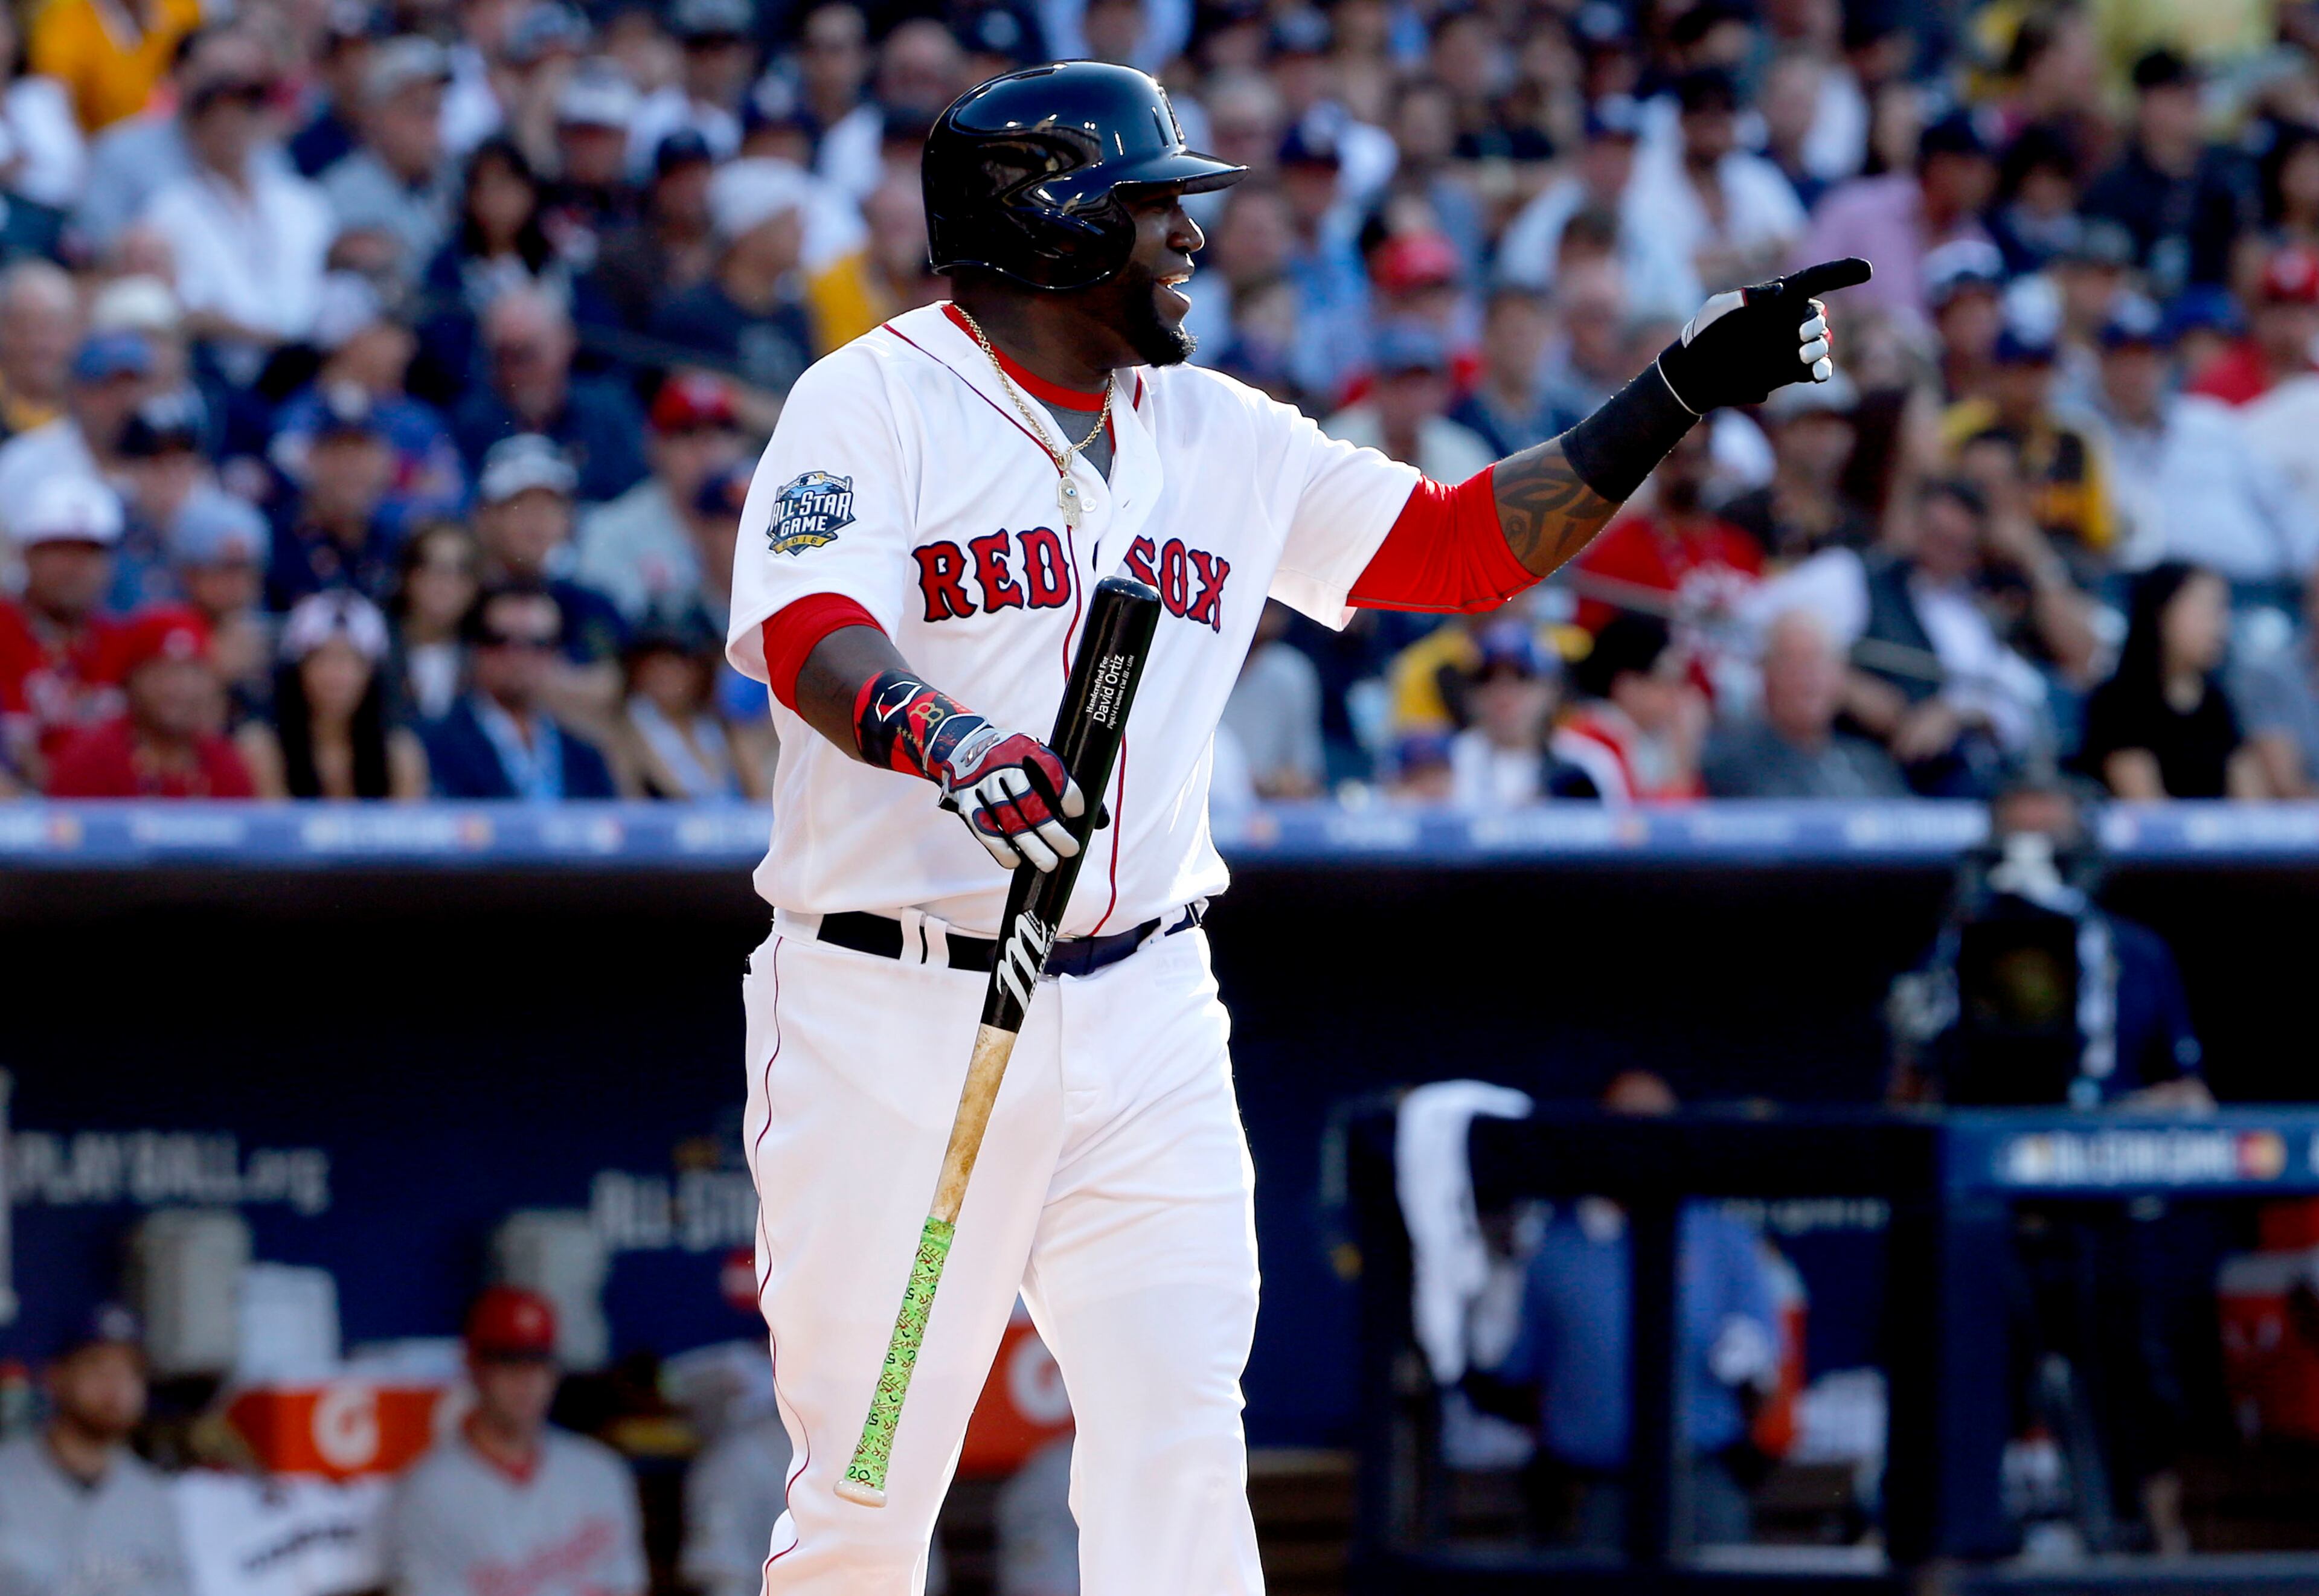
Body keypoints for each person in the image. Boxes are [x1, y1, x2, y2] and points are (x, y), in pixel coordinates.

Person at [720, 60, 1863, 1589]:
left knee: (1183, 1452)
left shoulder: (1222, 435)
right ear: (1050, 227)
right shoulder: (867, 399)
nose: (1192, 238)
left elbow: (1460, 553)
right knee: (866, 1495)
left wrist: (1670, 392)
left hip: (1147, 1002)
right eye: (1154, 209)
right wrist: (943, 734)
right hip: (904, 999)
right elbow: (808, 629)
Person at [1474, 1070, 1779, 1551]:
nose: (1645, 1140)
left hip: (1699, 1477)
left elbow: (1765, 1368)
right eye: (1628, 1125)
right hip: (1593, 1487)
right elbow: (1517, 1376)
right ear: (1601, 1133)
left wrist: (1754, 1366)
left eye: (1657, 1125)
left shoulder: (1723, 1235)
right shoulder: (1553, 1246)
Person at [384, 1287, 646, 1596]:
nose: (527, 1381)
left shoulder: (600, 1472)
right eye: (509, 1362)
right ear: (473, 1366)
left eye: (538, 1363)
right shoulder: (428, 1491)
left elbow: (623, 1586)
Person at [138, 47, 334, 367]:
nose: (230, 128)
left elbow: (326, 280)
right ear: (194, 129)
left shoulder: (302, 202)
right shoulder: (168, 210)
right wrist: (266, 338)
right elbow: (175, 307)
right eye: (216, 118)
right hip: (219, 367)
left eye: (242, 115)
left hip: (308, 363)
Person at [0, 1305, 191, 1596]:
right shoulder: (6, 1478)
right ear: (56, 1378)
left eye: (130, 1372)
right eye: (97, 1366)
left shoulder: (152, 1498)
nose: (115, 1386)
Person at [2080, 561, 2266, 800]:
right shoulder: (2117, 704)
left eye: (2222, 611)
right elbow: (2146, 807)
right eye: (2208, 610)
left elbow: (2254, 804)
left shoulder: (2219, 703)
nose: (2220, 626)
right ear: (2163, 613)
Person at [449, 285, 647, 504]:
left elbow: (640, 495)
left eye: (526, 356)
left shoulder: (608, 415)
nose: (513, 373)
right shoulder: (472, 423)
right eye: (500, 358)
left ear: (565, 345)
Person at [421, 581, 617, 799]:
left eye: (537, 644)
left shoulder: (585, 755)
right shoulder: (432, 745)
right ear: (476, 648)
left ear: (555, 653)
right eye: (500, 640)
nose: (518, 656)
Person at [0, 475, 132, 786]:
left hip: (109, 819)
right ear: (26, 554)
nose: (76, 566)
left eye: (90, 552)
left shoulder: (125, 641)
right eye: (59, 549)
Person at [46, 603, 255, 797]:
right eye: (162, 672)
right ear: (131, 680)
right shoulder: (90, 762)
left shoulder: (226, 765)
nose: (180, 688)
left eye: (193, 671)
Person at [239, 590, 428, 799]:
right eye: (321, 658)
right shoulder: (263, 746)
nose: (336, 675)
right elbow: (271, 826)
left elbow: (406, 827)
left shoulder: (399, 753)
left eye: (351, 660)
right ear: (297, 670)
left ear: (372, 674)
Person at [1701, 608, 1906, 797]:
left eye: (1818, 662)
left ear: (1841, 676)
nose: (1808, 678)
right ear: (1767, 673)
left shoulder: (1869, 764)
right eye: (1793, 663)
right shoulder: (1731, 763)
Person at [319, 35, 458, 291]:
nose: (430, 124)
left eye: (435, 108)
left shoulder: (456, 178)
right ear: (376, 116)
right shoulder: (341, 191)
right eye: (416, 108)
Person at [1553, 612, 1705, 803]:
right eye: (1668, 681)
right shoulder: (1592, 744)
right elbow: (1652, 828)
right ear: (1628, 686)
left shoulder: (1637, 740)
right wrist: (1682, 760)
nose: (1678, 696)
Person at [612, 606, 757, 799]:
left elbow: (757, 795)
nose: (664, 675)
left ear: (699, 671)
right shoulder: (624, 733)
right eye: (653, 664)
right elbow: (632, 805)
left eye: (675, 662)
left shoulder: (723, 729)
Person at [1322, 320, 1493, 481]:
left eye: (1420, 386)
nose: (1410, 398)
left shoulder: (1463, 451)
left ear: (1442, 391)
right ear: (1376, 387)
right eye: (1399, 384)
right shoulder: (1336, 444)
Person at [386, 519, 480, 722]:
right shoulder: (378, 650)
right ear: (408, 576)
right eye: (432, 567)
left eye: (461, 571)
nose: (446, 583)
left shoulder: (484, 656)